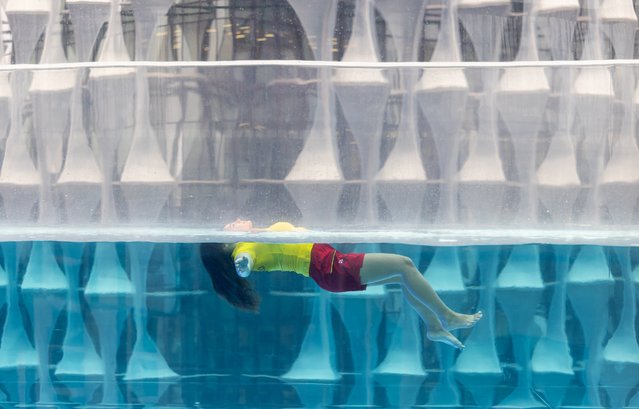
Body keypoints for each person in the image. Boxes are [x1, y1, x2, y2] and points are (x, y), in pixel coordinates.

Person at [201, 219, 482, 349]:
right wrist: (242, 265)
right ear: (225, 245)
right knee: (404, 265)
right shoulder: (243, 248)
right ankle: (447, 316)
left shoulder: (253, 238)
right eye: (225, 227)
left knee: (401, 275)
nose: (232, 222)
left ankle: (433, 326)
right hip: (332, 267)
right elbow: (244, 263)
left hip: (332, 266)